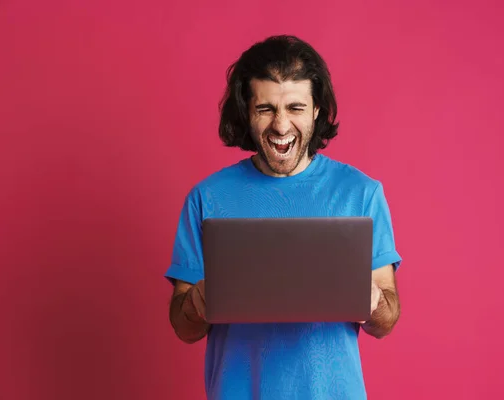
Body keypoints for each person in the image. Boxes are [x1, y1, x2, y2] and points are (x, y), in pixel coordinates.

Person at [165, 35, 403, 400]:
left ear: (317, 111)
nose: (280, 125)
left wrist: (369, 300)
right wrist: (198, 301)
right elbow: (184, 328)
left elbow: (386, 320)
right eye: (265, 109)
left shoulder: (361, 193)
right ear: (246, 111)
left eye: (295, 108)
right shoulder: (207, 198)